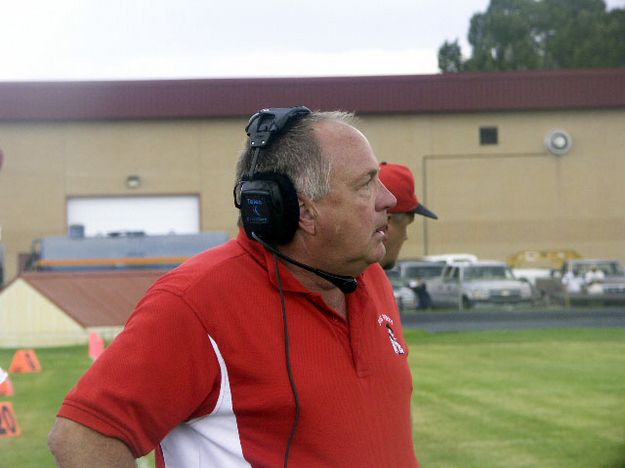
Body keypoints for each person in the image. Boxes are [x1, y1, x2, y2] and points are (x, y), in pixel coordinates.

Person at [48, 108, 420, 467]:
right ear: (303, 211)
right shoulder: (193, 303)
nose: (387, 199)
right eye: (366, 184)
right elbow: (82, 436)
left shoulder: (370, 278)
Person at [378, 162, 437, 309]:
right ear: (386, 221)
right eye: (405, 225)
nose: (405, 237)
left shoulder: (371, 284)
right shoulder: (359, 292)